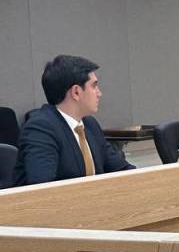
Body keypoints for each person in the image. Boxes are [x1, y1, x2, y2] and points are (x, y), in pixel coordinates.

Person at [13, 55, 135, 186]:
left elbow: (121, 169)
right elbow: (43, 187)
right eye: (94, 86)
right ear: (76, 92)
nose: (99, 93)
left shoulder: (90, 125)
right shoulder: (40, 129)